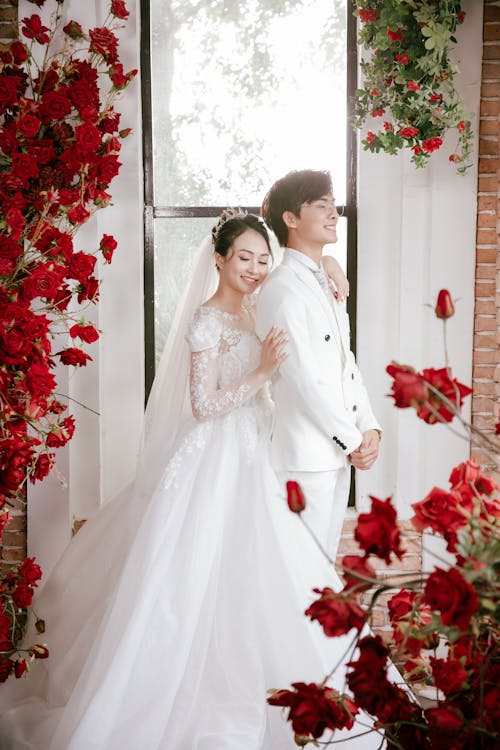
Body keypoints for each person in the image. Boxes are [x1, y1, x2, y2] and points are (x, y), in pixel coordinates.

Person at [0, 210, 384, 750]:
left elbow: (308, 277)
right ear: (220, 258)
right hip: (215, 458)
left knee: (263, 572)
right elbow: (204, 405)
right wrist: (262, 374)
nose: (254, 268)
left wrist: (335, 268)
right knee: (195, 572)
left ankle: (268, 684)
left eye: (261, 259)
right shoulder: (206, 320)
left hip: (260, 452)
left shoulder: (258, 307)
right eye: (243, 258)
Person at [256, 170, 381, 560]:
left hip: (334, 455)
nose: (334, 214)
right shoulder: (281, 288)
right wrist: (353, 439)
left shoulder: (325, 279)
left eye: (334, 204)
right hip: (303, 460)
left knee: (321, 572)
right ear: (290, 219)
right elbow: (301, 379)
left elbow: (346, 363)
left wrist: (369, 426)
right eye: (321, 205)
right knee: (300, 573)